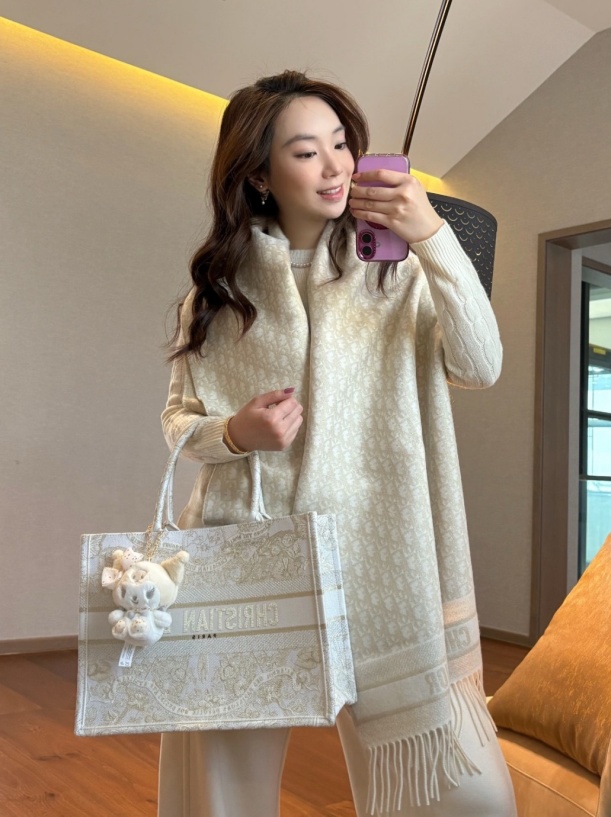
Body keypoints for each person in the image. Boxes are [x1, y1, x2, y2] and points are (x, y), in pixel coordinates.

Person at [158, 70, 516, 817]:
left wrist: (432, 234)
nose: (335, 166)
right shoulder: (216, 294)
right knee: (221, 792)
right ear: (259, 175)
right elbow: (180, 421)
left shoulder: (399, 271)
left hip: (380, 556)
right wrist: (234, 432)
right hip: (244, 555)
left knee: (470, 796)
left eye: (342, 144)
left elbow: (481, 366)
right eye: (305, 151)